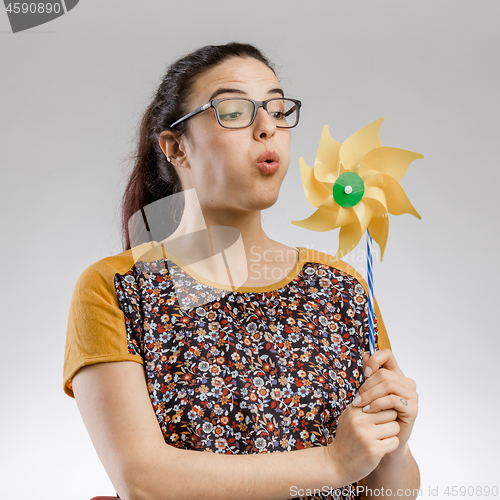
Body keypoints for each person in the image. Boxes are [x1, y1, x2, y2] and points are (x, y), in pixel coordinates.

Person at [63, 42, 420, 500]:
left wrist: (393, 447)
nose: (267, 127)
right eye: (234, 110)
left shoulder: (342, 288)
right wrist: (333, 462)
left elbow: (390, 494)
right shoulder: (116, 288)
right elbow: (144, 479)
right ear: (175, 147)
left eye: (276, 108)